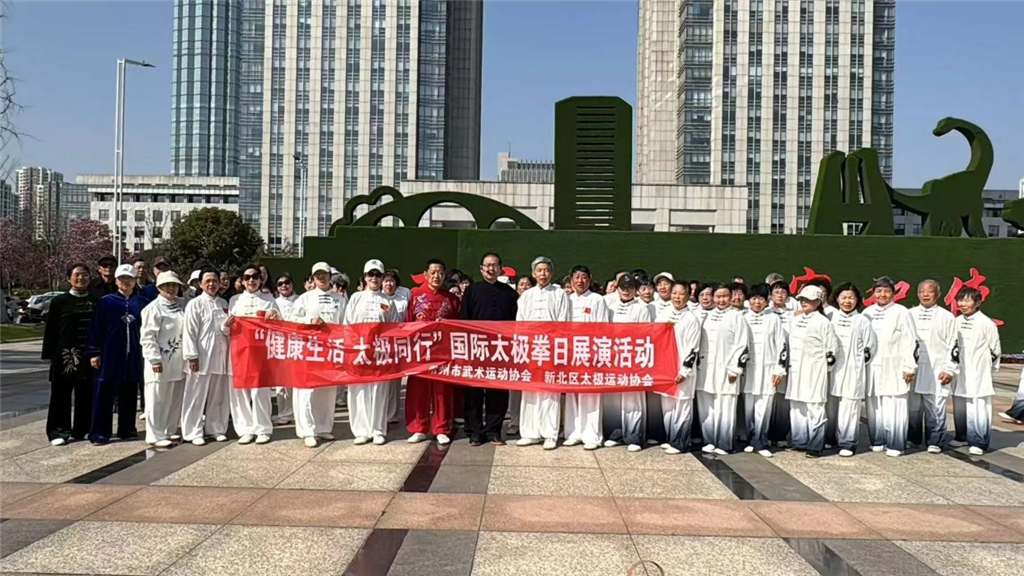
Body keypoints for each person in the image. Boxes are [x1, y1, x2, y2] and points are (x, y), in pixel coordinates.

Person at [461, 252, 518, 446]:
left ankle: (494, 430)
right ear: (481, 268)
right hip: (476, 348)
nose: (491, 268)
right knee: (473, 392)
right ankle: (474, 431)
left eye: (495, 265)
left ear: (501, 268)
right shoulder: (472, 291)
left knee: (498, 391)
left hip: (500, 349)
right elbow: (464, 319)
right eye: (487, 265)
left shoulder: (509, 293)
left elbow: (514, 321)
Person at [289, 262, 347, 447]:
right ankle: (307, 430)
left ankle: (323, 427)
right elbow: (291, 319)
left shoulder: (340, 299)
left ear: (330, 276)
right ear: (313, 278)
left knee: (327, 391)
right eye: (317, 275)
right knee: (307, 391)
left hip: (330, 351)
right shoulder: (304, 298)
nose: (321, 278)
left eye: (324, 274)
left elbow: (346, 323)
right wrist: (309, 320)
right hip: (309, 350)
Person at [85, 264, 145, 445]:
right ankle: (100, 432)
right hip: (110, 353)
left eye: (129, 278)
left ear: (135, 281)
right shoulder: (106, 302)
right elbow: (96, 328)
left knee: (129, 391)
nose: (125, 282)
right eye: (122, 278)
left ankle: (127, 428)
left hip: (133, 354)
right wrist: (94, 352)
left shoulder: (142, 302)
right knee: (104, 392)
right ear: (116, 281)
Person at [515, 256, 570, 450]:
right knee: (529, 391)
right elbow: (520, 323)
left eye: (546, 270)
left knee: (550, 392)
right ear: (533, 273)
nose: (543, 274)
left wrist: (557, 347)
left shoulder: (559, 293)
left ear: (551, 273)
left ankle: (550, 434)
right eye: (539, 270)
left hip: (551, 348)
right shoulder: (526, 295)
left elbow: (564, 322)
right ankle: (530, 433)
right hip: (531, 349)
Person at [344, 259, 401, 445]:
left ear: (383, 277)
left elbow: (394, 327)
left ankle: (378, 429)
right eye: (371, 274)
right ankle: (361, 430)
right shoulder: (356, 298)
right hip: (359, 352)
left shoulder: (387, 301)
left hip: (379, 354)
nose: (374, 278)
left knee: (379, 391)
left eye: (378, 275)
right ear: (365, 277)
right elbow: (347, 324)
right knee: (359, 391)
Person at [405, 259, 461, 445]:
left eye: (440, 273)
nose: (437, 276)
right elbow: (407, 322)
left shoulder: (451, 299)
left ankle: (441, 428)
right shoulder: (415, 295)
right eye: (433, 272)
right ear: (425, 274)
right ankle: (418, 428)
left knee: (442, 392)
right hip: (419, 353)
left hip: (442, 353)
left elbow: (458, 325)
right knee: (417, 391)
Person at [940, 287, 1001, 455]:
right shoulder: (956, 321)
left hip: (978, 372)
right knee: (960, 405)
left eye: (967, 300)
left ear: (978, 302)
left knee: (978, 407)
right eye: (960, 300)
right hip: (960, 372)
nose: (962, 304)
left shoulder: (986, 323)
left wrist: (985, 370)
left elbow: (995, 350)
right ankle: (961, 436)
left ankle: (979, 442)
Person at [224, 264, 282, 445]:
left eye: (255, 276)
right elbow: (227, 328)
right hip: (239, 352)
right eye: (247, 277)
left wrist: (275, 318)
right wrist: (225, 326)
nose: (251, 280)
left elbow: (279, 326)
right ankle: (245, 429)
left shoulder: (269, 300)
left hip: (260, 353)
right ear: (241, 281)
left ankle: (263, 428)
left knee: (260, 392)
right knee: (240, 393)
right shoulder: (234, 301)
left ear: (260, 279)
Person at [41, 263, 97, 446]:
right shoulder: (59, 302)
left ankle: (83, 429)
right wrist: (49, 355)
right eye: (77, 275)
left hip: (88, 355)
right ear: (69, 278)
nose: (81, 278)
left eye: (85, 274)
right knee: (61, 394)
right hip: (65, 356)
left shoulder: (96, 300)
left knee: (86, 393)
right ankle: (58, 431)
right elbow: (51, 331)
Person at [863, 276, 918, 457]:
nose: (882, 294)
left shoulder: (902, 312)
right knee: (875, 405)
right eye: (879, 291)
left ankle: (896, 444)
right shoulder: (867, 313)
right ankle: (878, 440)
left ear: (893, 293)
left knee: (895, 405)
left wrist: (909, 366)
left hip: (895, 366)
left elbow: (911, 340)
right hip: (872, 367)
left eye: (887, 291)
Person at [781, 286, 839, 458]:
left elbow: (832, 350)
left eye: (808, 299)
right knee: (797, 405)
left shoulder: (823, 322)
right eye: (801, 299)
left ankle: (815, 444)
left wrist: (822, 369)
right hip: (795, 369)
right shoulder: (796, 320)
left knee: (815, 406)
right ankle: (799, 441)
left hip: (815, 370)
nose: (804, 302)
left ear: (818, 301)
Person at [695, 283, 751, 455]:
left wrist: (735, 368)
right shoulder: (707, 315)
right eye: (718, 296)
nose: (721, 300)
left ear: (731, 297)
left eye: (725, 296)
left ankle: (724, 442)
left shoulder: (736, 316)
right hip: (705, 367)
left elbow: (742, 344)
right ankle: (709, 439)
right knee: (706, 405)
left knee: (725, 405)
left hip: (726, 368)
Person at [181, 269, 233, 446]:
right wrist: (192, 356)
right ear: (200, 284)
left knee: (218, 395)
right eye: (208, 281)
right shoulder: (194, 304)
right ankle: (192, 431)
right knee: (195, 395)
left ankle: (216, 428)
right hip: (201, 357)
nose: (211, 284)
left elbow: (227, 330)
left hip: (221, 355)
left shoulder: (224, 303)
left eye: (215, 280)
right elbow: (189, 332)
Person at [603, 273, 654, 451]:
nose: (626, 291)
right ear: (617, 289)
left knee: (633, 400)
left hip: (633, 358)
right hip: (613, 358)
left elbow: (646, 336)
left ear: (636, 290)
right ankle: (615, 434)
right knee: (613, 400)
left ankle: (634, 437)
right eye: (623, 288)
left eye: (630, 288)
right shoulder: (610, 308)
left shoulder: (641, 309)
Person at [827, 283, 877, 457]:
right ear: (837, 298)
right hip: (832, 370)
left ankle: (848, 443)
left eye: (851, 298)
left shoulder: (862, 321)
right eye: (844, 297)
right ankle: (829, 438)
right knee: (831, 406)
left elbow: (870, 347)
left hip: (852, 370)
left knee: (849, 407)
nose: (847, 301)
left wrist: (856, 364)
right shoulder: (831, 318)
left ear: (857, 300)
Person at [564, 265, 610, 450]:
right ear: (571, 280)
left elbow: (603, 327)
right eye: (576, 277)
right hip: (570, 353)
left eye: (584, 277)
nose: (580, 281)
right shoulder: (566, 299)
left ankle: (592, 435)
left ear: (590, 279)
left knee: (590, 394)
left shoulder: (597, 299)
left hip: (590, 353)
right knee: (572, 394)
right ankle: (573, 432)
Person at [140, 271, 188, 447]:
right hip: (160, 360)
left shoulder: (179, 306)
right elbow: (148, 336)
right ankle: (155, 434)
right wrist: (154, 359)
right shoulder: (153, 308)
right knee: (157, 398)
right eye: (167, 285)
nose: (171, 288)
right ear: (159, 287)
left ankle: (169, 429)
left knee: (174, 397)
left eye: (174, 285)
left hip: (178, 360)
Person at [909, 280, 957, 453]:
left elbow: (953, 345)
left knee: (935, 406)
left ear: (938, 294)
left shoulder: (947, 317)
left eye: (929, 291)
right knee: (912, 407)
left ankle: (935, 441)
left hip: (937, 370)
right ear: (918, 294)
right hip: (913, 369)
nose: (925, 294)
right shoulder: (909, 314)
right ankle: (912, 438)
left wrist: (949, 369)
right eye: (922, 291)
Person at [655, 281, 701, 454]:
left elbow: (693, 348)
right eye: (674, 293)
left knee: (682, 405)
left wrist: (684, 370)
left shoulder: (691, 319)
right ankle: (671, 438)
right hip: (665, 368)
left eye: (681, 294)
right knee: (667, 405)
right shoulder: (664, 314)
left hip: (682, 370)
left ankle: (681, 442)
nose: (677, 297)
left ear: (688, 296)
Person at [742, 283, 786, 458]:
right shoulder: (743, 317)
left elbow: (781, 345)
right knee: (749, 406)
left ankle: (761, 441)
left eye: (761, 298)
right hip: (749, 370)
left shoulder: (773, 318)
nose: (757, 302)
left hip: (768, 369)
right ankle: (751, 439)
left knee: (764, 406)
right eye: (754, 298)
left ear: (767, 300)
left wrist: (779, 369)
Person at [382, 269, 409, 424]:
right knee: (382, 381)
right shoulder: (378, 298)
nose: (389, 284)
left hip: (398, 344)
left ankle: (392, 415)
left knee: (395, 382)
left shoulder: (404, 296)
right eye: (386, 281)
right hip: (381, 344)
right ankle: (380, 413)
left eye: (391, 281)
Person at [272, 274, 298, 425]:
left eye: (287, 282)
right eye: (280, 284)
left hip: (297, 344)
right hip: (280, 344)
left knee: (297, 381)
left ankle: (297, 413)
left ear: (292, 284)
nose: (284, 286)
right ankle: (283, 414)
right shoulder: (273, 303)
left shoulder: (301, 300)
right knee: (281, 383)